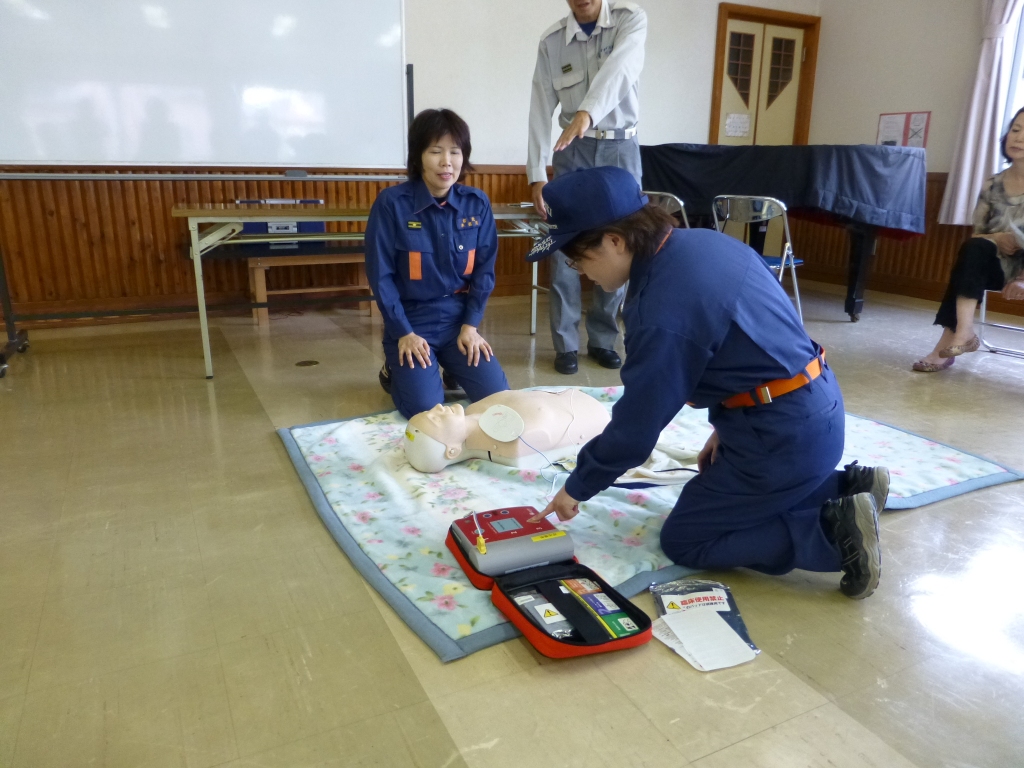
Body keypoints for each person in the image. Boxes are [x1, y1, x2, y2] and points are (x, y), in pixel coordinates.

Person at [526, 166, 891, 600]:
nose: (579, 272)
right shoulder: (704, 242)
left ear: (614, 241)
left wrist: (578, 485)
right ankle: (847, 486)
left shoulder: (661, 309)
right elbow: (759, 342)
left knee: (687, 538)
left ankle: (835, 534)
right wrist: (726, 424)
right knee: (721, 488)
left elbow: (636, 428)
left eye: (577, 259)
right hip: (817, 408)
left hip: (782, 437)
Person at [527, 0, 647, 375]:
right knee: (566, 247)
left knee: (621, 245)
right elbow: (539, 106)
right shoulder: (551, 41)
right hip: (572, 149)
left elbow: (620, 68)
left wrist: (587, 112)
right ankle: (565, 344)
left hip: (620, 148)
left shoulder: (630, 19)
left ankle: (603, 339)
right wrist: (536, 172)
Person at [365, 109, 509, 418]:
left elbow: (484, 271)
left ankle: (451, 365)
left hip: (459, 319)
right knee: (426, 411)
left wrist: (471, 326)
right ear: (418, 157)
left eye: (455, 151)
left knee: (498, 399)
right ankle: (393, 369)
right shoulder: (392, 204)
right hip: (412, 320)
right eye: (435, 151)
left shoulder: (476, 203)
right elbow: (381, 276)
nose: (447, 162)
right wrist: (403, 332)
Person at [913, 108, 1024, 371]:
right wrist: (997, 237)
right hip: (995, 266)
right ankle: (963, 332)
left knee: (967, 267)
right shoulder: (992, 184)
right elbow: (978, 233)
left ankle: (946, 344)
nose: (1018, 138)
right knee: (973, 249)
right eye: (1016, 129)